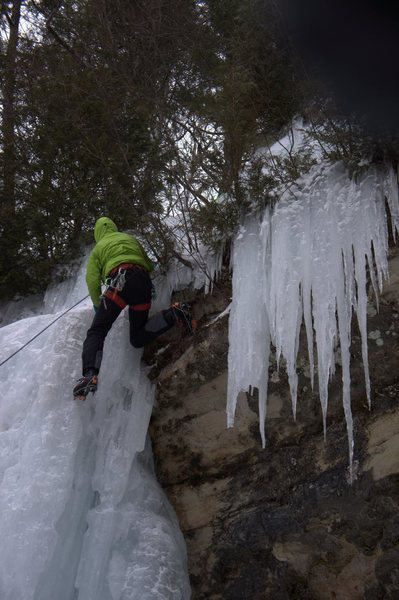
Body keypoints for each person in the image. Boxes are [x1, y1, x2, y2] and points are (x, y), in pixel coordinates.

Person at [73, 216, 193, 400]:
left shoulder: (99, 248)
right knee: (137, 338)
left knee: (97, 330)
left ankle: (90, 374)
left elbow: (92, 280)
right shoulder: (130, 239)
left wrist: (99, 305)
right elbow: (148, 264)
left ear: (98, 233)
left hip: (119, 285)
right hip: (142, 284)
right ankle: (174, 314)